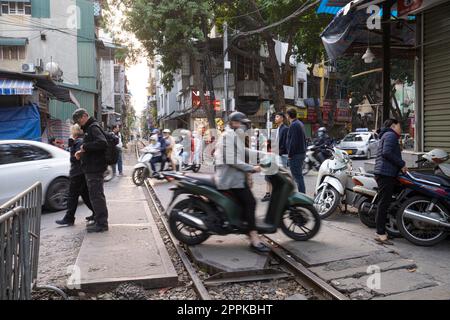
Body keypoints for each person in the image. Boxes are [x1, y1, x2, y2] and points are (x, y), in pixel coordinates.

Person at [214, 111, 270, 254]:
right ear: (233, 123)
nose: (244, 126)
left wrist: (264, 155)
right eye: (241, 123)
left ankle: (246, 226)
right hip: (229, 178)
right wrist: (252, 169)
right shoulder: (228, 136)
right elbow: (231, 160)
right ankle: (253, 238)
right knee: (251, 202)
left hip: (235, 177)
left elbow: (244, 151)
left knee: (248, 202)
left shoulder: (233, 136)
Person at [72, 108, 109, 233]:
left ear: (85, 116)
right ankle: (99, 220)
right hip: (92, 167)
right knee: (94, 195)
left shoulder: (93, 127)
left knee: (96, 196)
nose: (78, 122)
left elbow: (102, 143)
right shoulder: (89, 128)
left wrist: (85, 147)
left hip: (95, 168)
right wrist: (82, 151)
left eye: (78, 119)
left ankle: (102, 224)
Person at [374, 119, 408, 245]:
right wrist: (401, 164)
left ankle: (381, 232)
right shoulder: (391, 135)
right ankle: (380, 234)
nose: (401, 129)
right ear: (393, 126)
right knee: (383, 203)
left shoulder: (387, 135)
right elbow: (386, 152)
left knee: (384, 202)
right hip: (385, 173)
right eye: (399, 126)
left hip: (385, 173)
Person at [55, 124, 95, 226]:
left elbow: (75, 158)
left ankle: (69, 218)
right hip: (80, 173)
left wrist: (71, 146)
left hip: (78, 173)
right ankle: (96, 213)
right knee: (85, 195)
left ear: (75, 131)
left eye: (71, 131)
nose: (70, 132)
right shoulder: (79, 141)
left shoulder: (79, 142)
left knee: (72, 196)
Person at [262, 112, 289, 202]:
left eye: (277, 117)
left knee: (281, 176)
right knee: (269, 174)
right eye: (275, 117)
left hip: (281, 155)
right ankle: (268, 194)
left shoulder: (285, 129)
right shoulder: (276, 129)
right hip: (274, 154)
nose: (275, 118)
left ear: (282, 118)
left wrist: (278, 152)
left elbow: (285, 144)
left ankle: (282, 195)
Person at [286, 108, 307, 193]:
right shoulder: (299, 123)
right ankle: (297, 193)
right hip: (300, 153)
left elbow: (293, 142)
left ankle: (302, 195)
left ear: (288, 115)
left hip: (296, 155)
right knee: (297, 176)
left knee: (298, 176)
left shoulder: (294, 125)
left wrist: (290, 155)